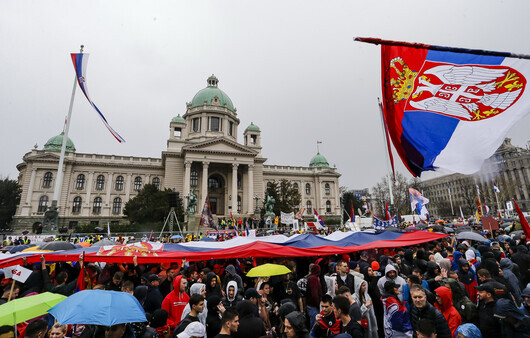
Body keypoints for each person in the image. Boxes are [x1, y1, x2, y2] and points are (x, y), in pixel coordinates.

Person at [307, 263, 322, 330]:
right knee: (314, 326)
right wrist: (318, 305)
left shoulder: (311, 278)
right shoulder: (314, 279)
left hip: (311, 305)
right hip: (313, 306)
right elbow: (314, 294)